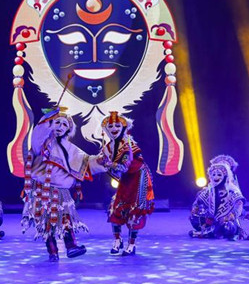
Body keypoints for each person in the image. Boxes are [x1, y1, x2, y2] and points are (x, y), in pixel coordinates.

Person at [21, 107, 109, 261]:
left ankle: (71, 247)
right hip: (41, 189)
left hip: (61, 191)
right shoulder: (42, 143)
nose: (60, 127)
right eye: (57, 123)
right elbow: (38, 133)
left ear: (68, 129)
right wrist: (47, 119)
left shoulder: (71, 149)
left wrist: (100, 161)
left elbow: (86, 163)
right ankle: (52, 252)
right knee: (46, 222)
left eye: (64, 124)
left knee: (66, 218)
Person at [101, 112, 154, 255]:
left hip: (138, 178)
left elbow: (124, 167)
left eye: (117, 126)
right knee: (114, 208)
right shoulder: (108, 147)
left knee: (135, 211)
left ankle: (131, 244)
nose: (114, 128)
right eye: (110, 126)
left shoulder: (128, 144)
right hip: (125, 179)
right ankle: (117, 240)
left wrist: (109, 164)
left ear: (124, 128)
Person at [190, 163, 247, 240]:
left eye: (219, 175)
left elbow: (239, 204)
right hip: (212, 220)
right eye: (213, 175)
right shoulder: (209, 190)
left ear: (225, 176)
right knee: (194, 218)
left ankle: (208, 232)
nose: (216, 177)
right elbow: (197, 202)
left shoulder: (232, 190)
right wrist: (195, 208)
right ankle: (209, 230)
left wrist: (233, 214)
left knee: (228, 227)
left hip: (227, 220)